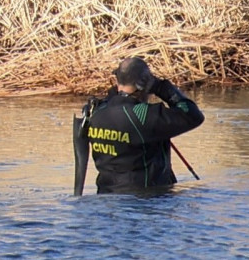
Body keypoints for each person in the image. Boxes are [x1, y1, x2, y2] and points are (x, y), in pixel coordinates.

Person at [79, 57, 205, 194]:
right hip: (147, 202)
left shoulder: (95, 112)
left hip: (105, 196)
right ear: (145, 85)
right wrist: (161, 87)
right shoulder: (144, 115)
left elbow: (115, 102)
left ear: (117, 80)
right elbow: (193, 116)